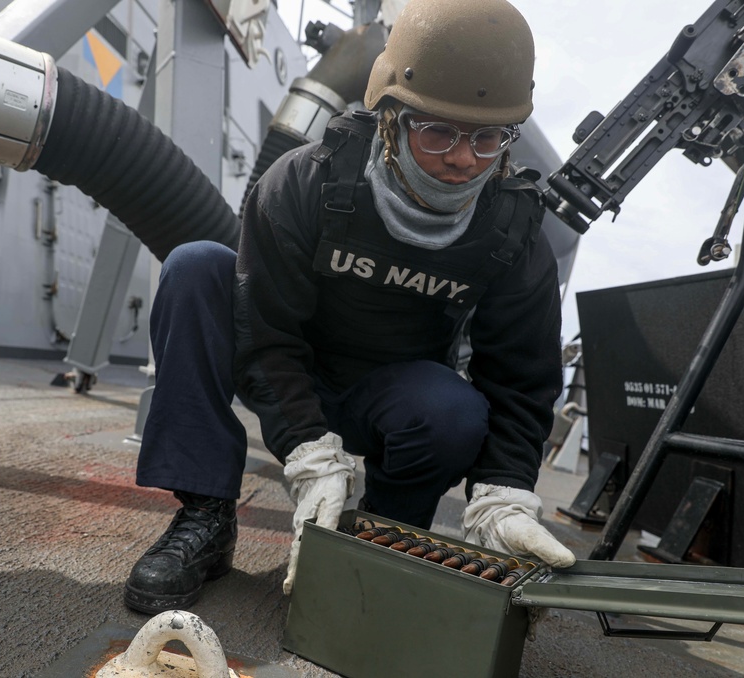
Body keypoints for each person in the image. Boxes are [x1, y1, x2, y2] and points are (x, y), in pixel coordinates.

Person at [122, 0, 576, 616]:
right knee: (198, 268)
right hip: (285, 371)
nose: (465, 158)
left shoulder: (513, 233)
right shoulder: (305, 183)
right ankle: (206, 515)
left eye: (489, 136)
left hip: (389, 399)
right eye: (438, 130)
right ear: (390, 117)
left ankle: (379, 538)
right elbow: (265, 336)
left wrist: (503, 493)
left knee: (453, 410)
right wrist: (308, 451)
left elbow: (519, 384)